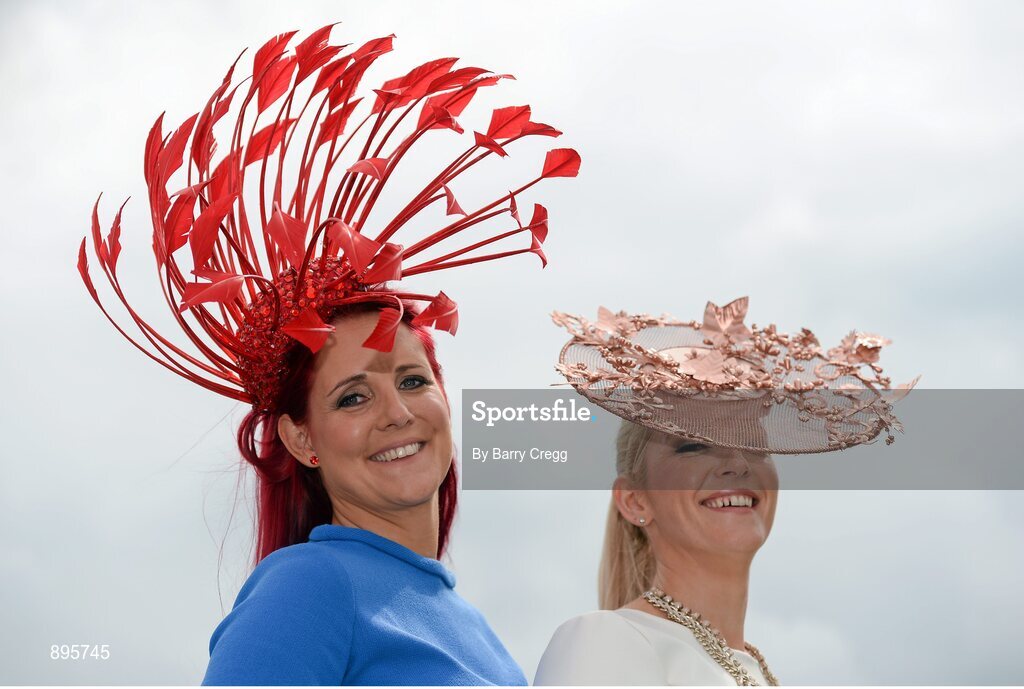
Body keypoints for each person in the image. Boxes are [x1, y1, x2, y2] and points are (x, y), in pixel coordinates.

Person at [78, 24, 580, 685]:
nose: (397, 411)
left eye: (412, 378)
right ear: (301, 438)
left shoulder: (477, 629)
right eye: (353, 395)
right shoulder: (310, 587)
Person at [535, 298, 913, 686]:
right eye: (694, 444)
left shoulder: (760, 672)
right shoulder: (607, 641)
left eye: (754, 443)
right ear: (635, 501)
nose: (739, 463)